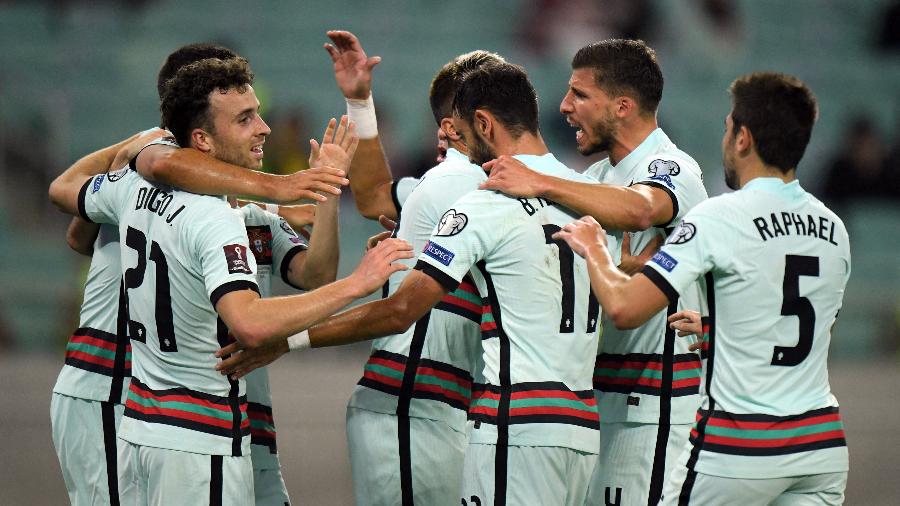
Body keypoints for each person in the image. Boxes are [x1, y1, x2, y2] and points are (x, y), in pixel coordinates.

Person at [221, 61, 601, 506]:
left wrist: (288, 341)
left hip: (461, 412)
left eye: (450, 128)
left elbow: (397, 294)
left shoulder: (480, 192)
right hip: (441, 406)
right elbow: (377, 199)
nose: (443, 137)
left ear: (472, 124)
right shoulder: (582, 193)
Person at [51, 56, 412, 505]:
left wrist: (323, 192)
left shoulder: (136, 189)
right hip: (189, 426)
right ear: (198, 138)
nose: (264, 127)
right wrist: (359, 281)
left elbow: (69, 205)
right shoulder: (216, 215)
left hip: (150, 423)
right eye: (245, 119)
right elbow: (251, 324)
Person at [554, 72, 849, 505]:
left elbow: (622, 308)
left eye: (728, 129)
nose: (725, 140)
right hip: (820, 446)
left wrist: (596, 250)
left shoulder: (718, 217)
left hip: (740, 446)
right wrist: (715, 328)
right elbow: (802, 329)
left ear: (743, 139)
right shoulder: (833, 228)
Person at [479, 39, 708, 505]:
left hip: (655, 411)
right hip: (604, 404)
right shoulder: (600, 178)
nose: (564, 106)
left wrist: (540, 180)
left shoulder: (672, 167)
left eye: (580, 95)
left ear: (622, 106)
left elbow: (642, 209)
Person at [322, 30, 503, 505]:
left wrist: (360, 102)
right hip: (414, 405)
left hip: (441, 408)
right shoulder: (459, 185)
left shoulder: (458, 186)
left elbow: (375, 196)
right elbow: (375, 199)